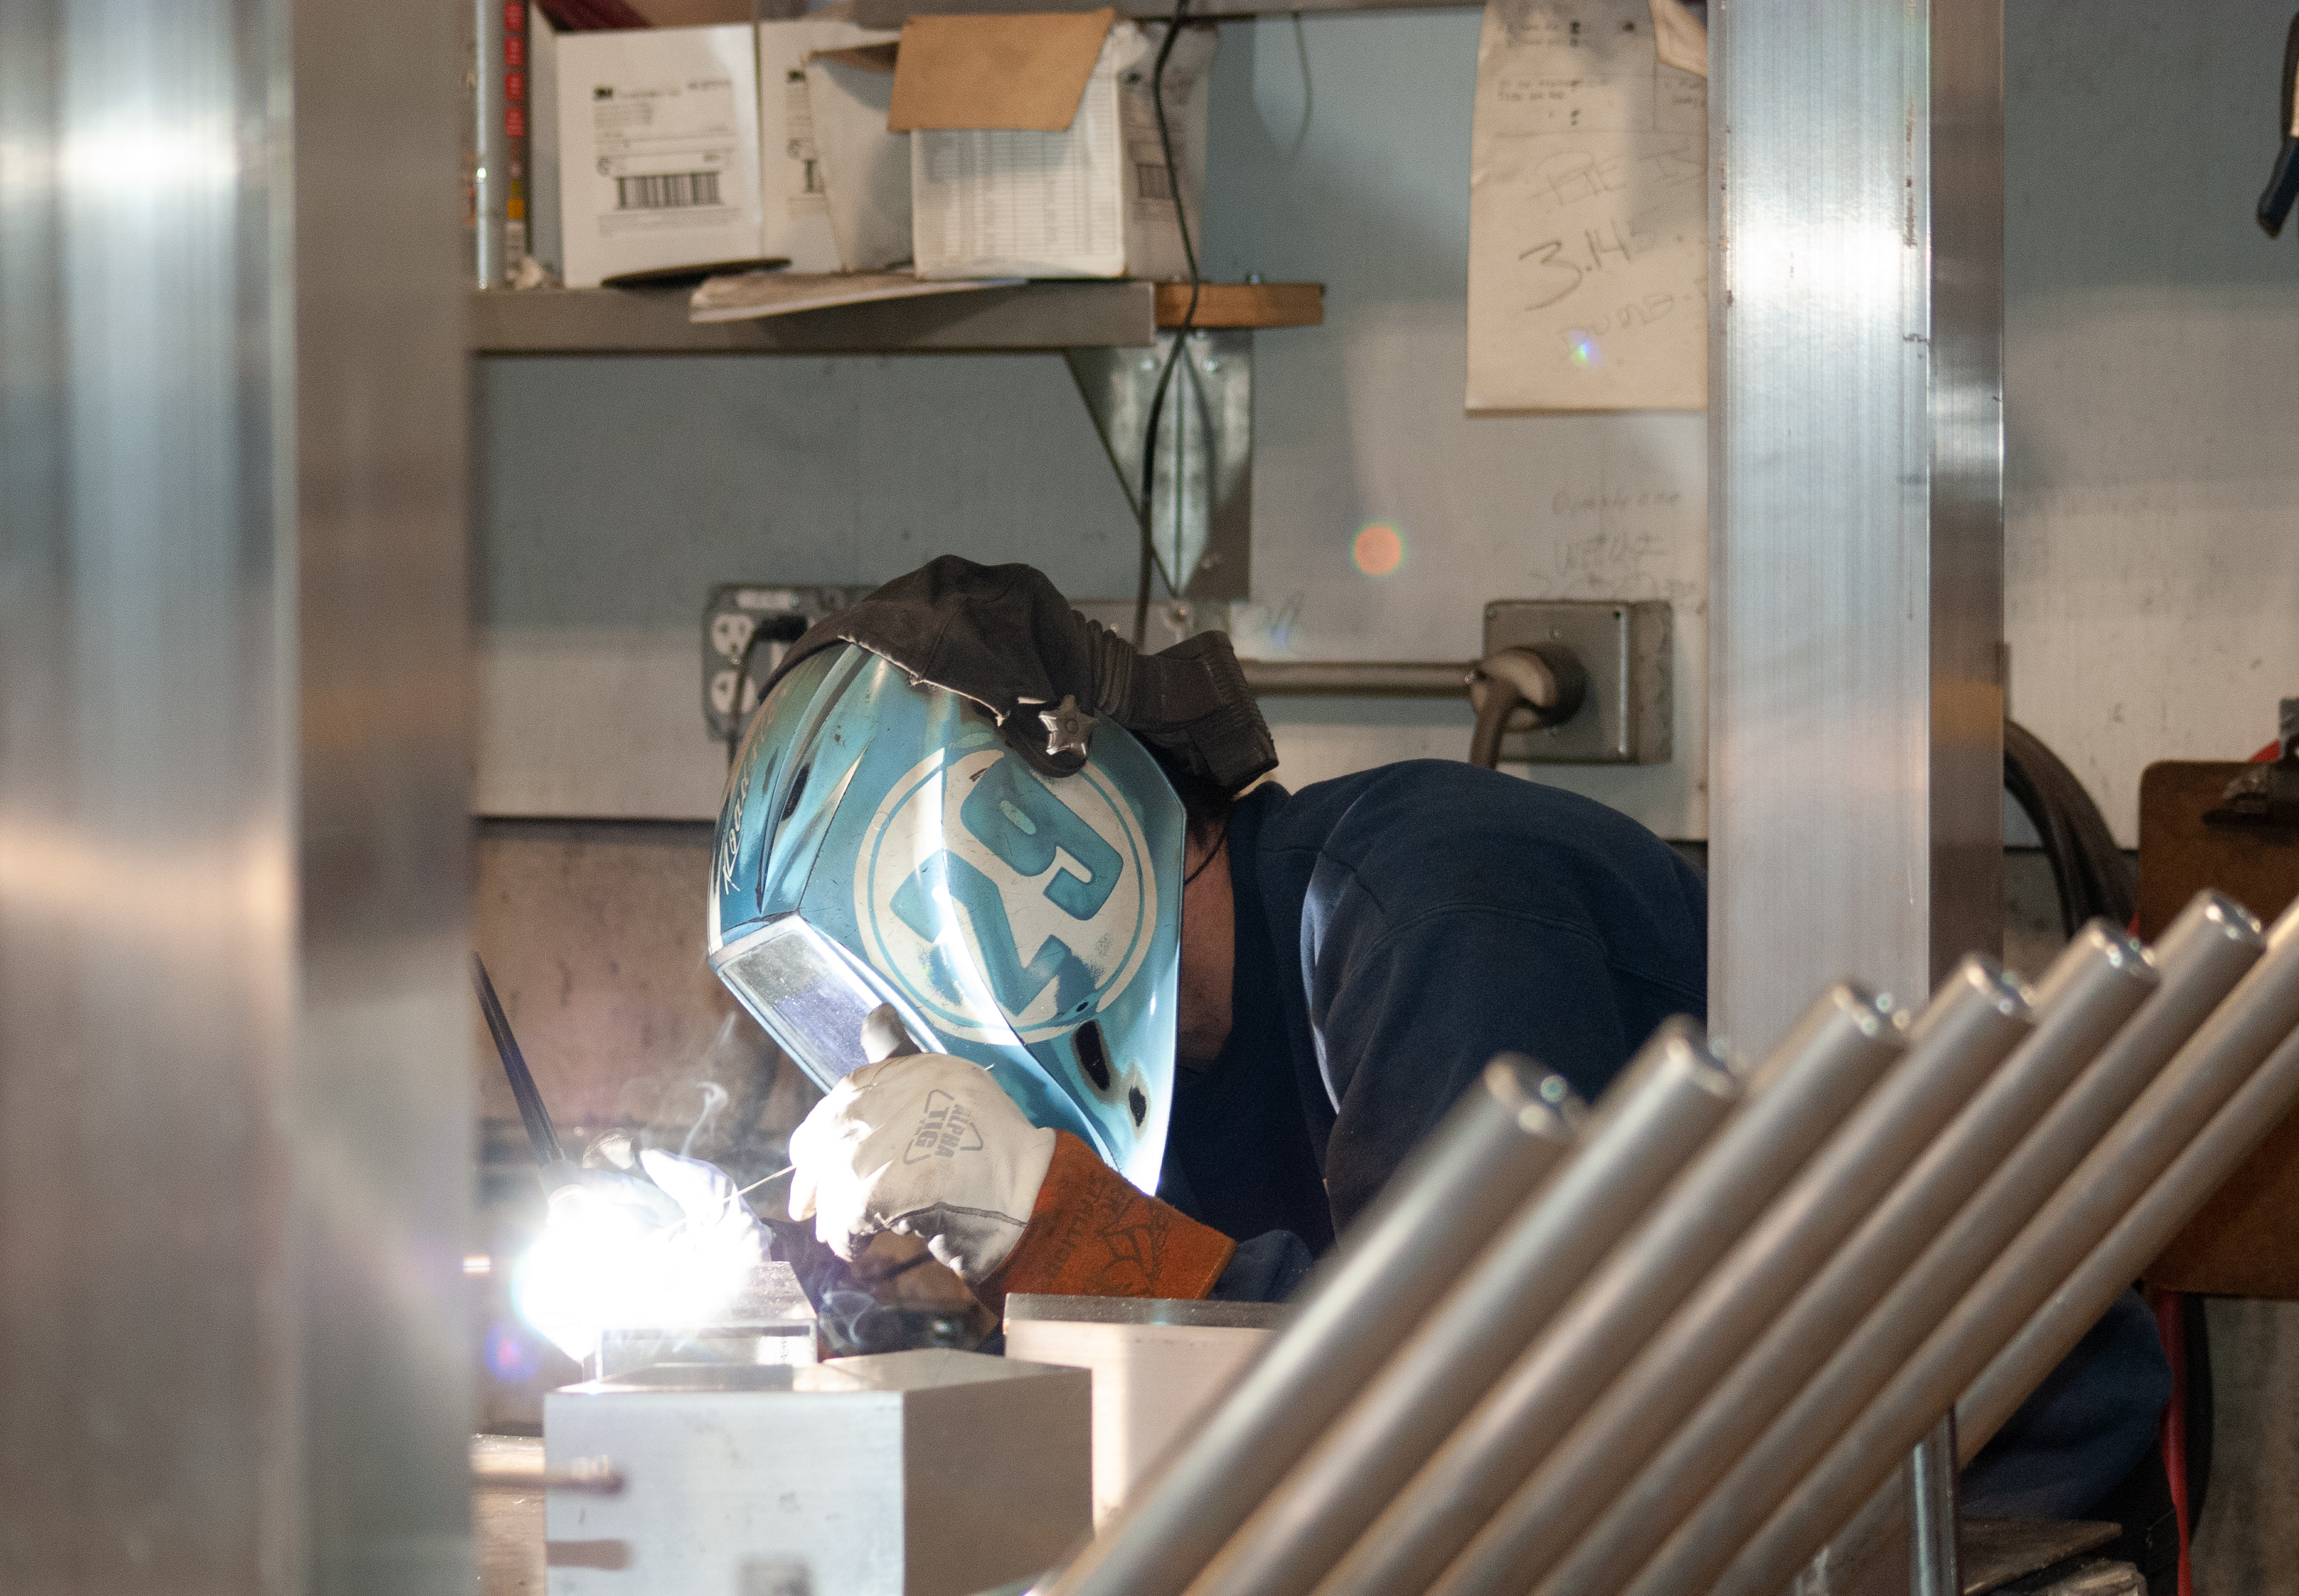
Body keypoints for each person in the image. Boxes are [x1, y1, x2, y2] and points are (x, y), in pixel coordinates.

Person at [706, 555, 2167, 1542]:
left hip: (1961, 1498)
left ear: (1022, 848)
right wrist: (936, 1298)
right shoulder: (1167, 1062)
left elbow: (1474, 1393)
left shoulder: (1424, 897)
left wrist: (1063, 1231)